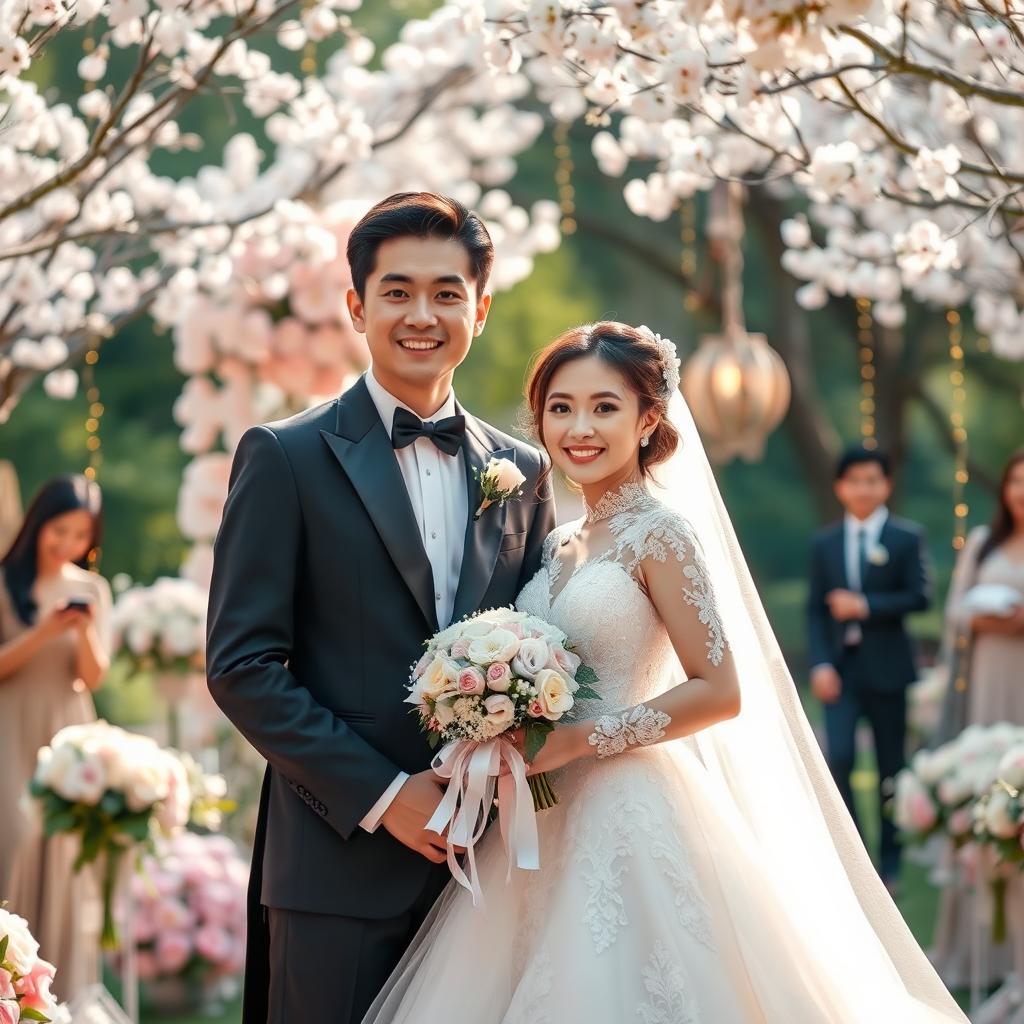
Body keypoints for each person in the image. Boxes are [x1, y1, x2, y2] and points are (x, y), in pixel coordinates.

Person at [363, 322, 965, 1023]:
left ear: (648, 419)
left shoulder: (662, 534)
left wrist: (582, 739)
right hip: (542, 814)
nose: (579, 428)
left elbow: (720, 690)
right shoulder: (557, 543)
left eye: (604, 407)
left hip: (627, 803)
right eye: (561, 407)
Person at [206, 192, 556, 1024]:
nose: (422, 315)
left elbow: (549, 642)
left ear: (481, 308)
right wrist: (385, 794)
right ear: (357, 307)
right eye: (397, 292)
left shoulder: (524, 471)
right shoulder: (284, 455)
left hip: (489, 877)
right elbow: (242, 666)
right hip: (337, 872)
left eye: (446, 293)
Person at [0, 474, 111, 1002]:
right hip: (10, 728)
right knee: (15, 837)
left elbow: (93, 676)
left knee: (64, 855)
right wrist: (44, 631)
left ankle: (54, 994)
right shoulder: (4, 580)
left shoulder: (91, 588)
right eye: (59, 529)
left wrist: (82, 630)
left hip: (68, 731)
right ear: (38, 522)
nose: (68, 543)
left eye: (80, 534)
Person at [807, 448, 931, 891]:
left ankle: (891, 864)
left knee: (890, 769)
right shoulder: (825, 543)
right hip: (840, 673)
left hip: (889, 670)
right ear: (840, 488)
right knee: (839, 757)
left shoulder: (906, 538)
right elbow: (816, 610)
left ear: (887, 485)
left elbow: (920, 597)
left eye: (872, 480)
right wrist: (820, 663)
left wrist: (865, 605)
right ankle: (858, 860)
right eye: (855, 480)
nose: (864, 488)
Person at [930, 449, 1024, 989]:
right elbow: (954, 613)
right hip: (987, 683)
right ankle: (976, 949)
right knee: (987, 794)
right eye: (1015, 481)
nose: (1021, 491)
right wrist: (983, 620)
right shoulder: (984, 543)